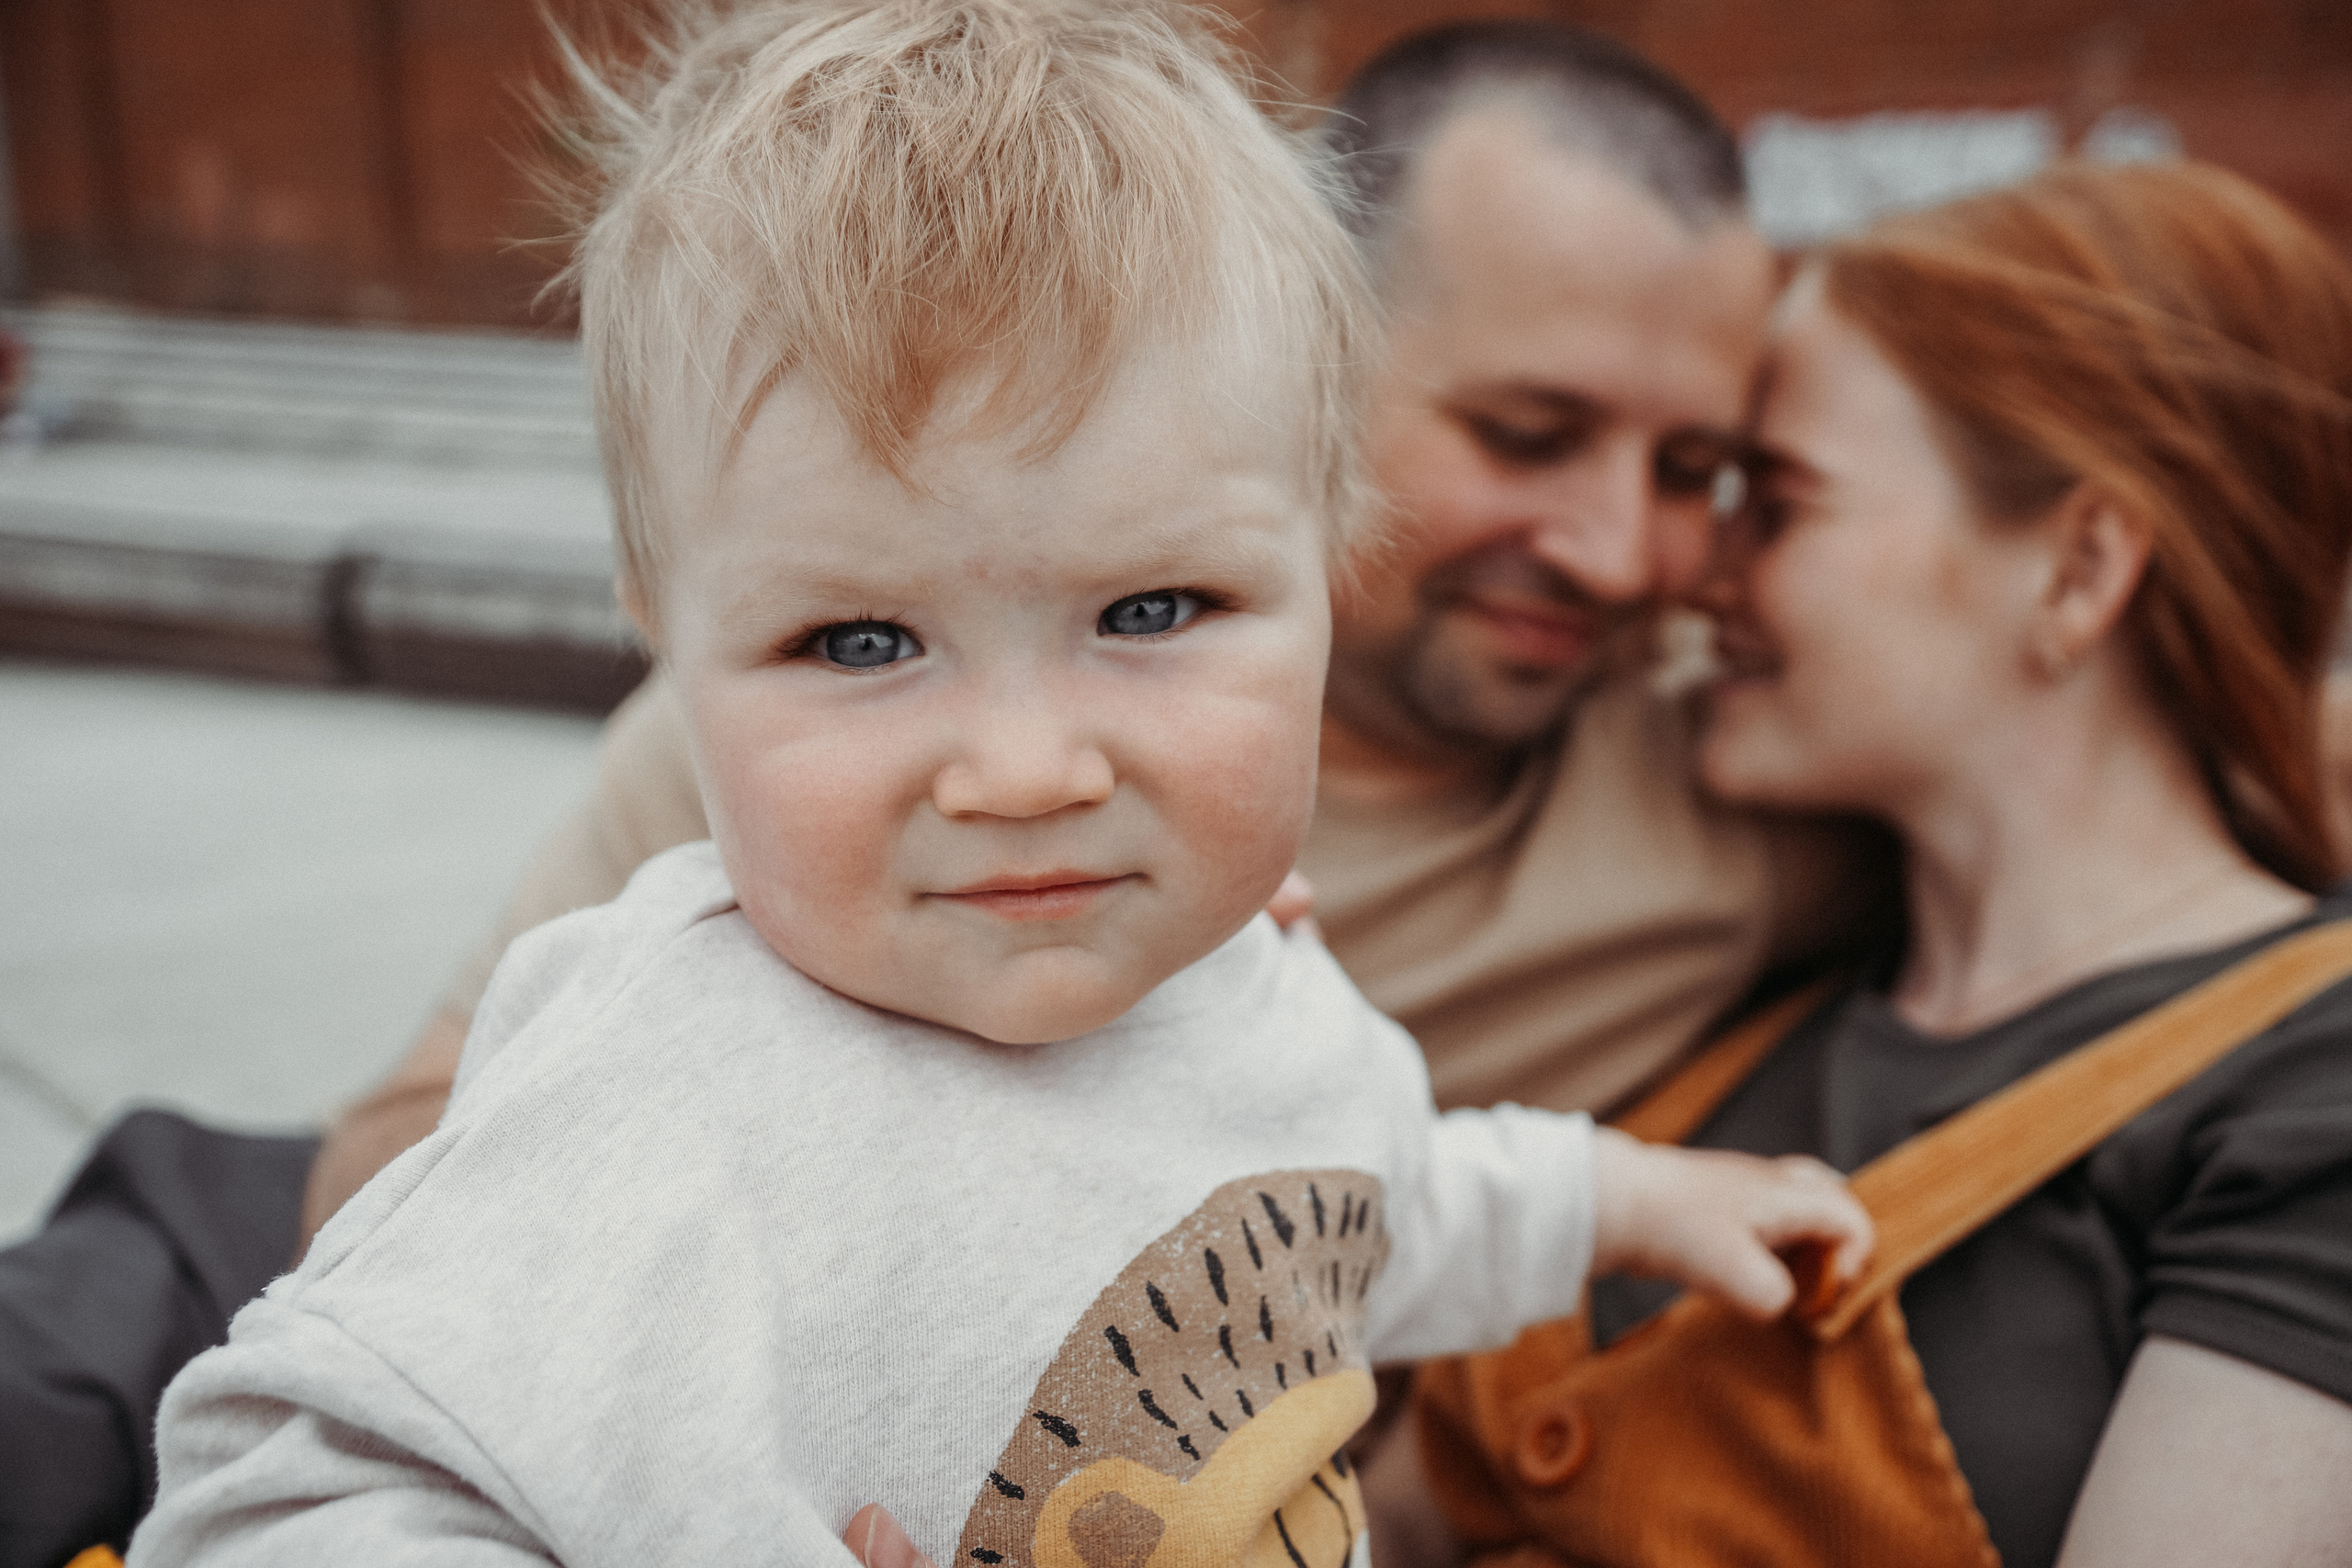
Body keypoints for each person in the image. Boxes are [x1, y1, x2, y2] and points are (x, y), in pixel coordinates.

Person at [2, 21, 1859, 1565]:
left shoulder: (1264, 984)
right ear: (665, 634)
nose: (1027, 768)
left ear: (1327, 545)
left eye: (1152, 610)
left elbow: (1381, 1198)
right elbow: (291, 1488)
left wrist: (1627, 1195)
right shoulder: (663, 1090)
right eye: (859, 644)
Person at [1415, 160, 2352, 1568]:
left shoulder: (2311, 1087)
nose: (1697, 571)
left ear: (2080, 569)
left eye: (1774, 503)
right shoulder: (1747, 992)